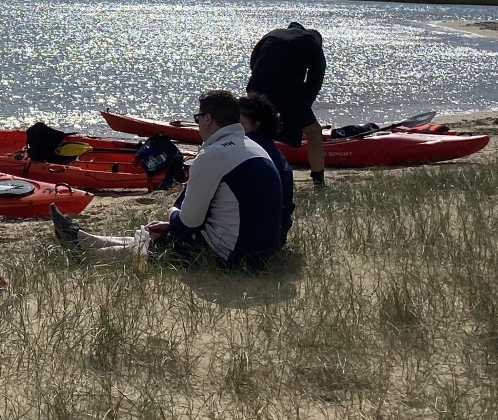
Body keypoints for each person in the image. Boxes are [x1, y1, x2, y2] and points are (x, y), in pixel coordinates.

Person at [51, 90, 285, 270]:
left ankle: (85, 252)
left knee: (166, 244)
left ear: (208, 119)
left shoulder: (213, 155)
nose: (198, 123)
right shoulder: (253, 148)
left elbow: (190, 222)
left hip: (234, 257)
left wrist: (173, 213)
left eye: (198, 117)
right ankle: (84, 240)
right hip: (262, 250)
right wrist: (175, 224)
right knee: (167, 234)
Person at [247, 19, 328, 187]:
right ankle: (318, 181)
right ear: (317, 41)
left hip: (256, 86)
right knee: (313, 132)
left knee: (256, 127)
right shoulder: (312, 44)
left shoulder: (272, 34)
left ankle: (250, 168)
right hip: (287, 91)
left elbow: (253, 61)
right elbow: (315, 81)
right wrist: (303, 110)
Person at [239, 92, 296, 244]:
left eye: (238, 122)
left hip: (255, 240)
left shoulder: (247, 150)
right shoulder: (274, 151)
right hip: (278, 234)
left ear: (256, 124)